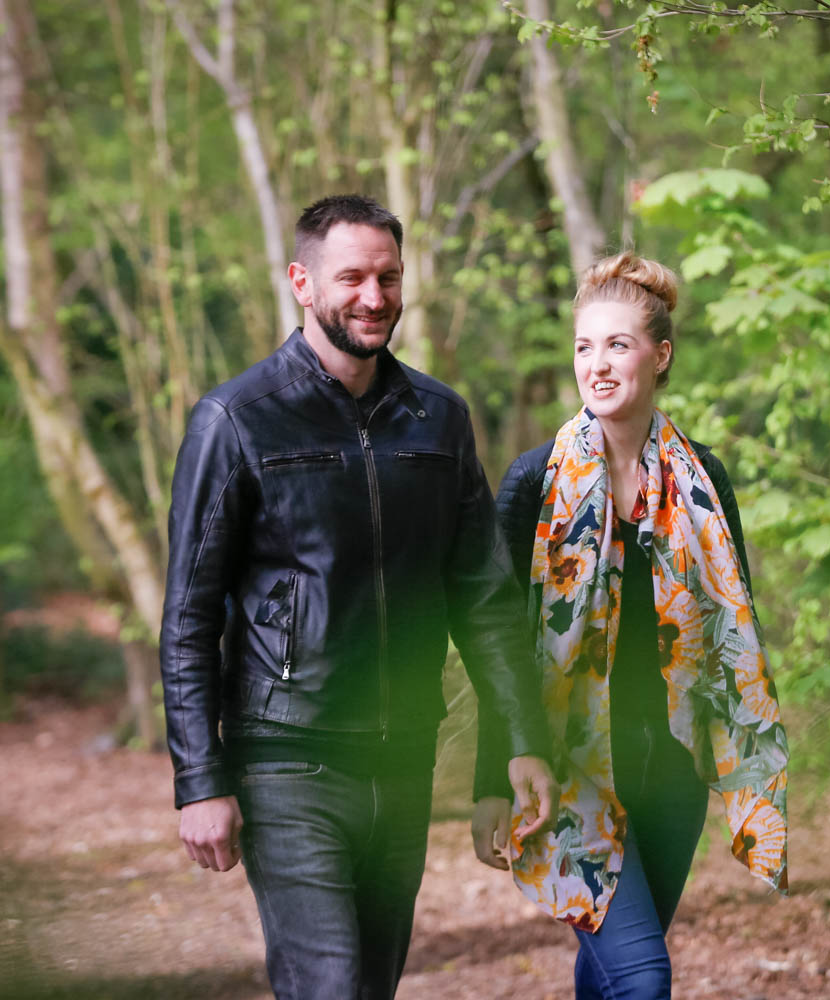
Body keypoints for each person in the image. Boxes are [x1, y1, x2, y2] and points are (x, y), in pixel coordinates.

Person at [159, 194, 558, 1000]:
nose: (374, 298)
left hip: (403, 757)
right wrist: (200, 778)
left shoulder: (438, 418)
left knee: (370, 986)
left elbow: (484, 598)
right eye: (352, 278)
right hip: (287, 756)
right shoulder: (235, 420)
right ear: (302, 282)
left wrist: (520, 736)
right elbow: (189, 617)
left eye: (389, 277)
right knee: (330, 987)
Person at [471, 251, 789, 998]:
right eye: (586, 346)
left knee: (607, 974)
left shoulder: (704, 482)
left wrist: (739, 757)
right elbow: (502, 648)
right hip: (569, 769)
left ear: (661, 354)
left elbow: (735, 631)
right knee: (643, 978)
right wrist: (494, 778)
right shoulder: (534, 483)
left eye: (618, 344)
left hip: (671, 768)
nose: (598, 364)